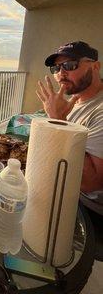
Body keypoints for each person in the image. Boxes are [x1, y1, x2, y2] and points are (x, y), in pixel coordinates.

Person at [36, 41, 103, 202]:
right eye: (56, 68)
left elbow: (91, 184)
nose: (61, 73)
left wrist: (58, 122)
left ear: (95, 66)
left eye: (70, 65)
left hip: (85, 204)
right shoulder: (76, 100)